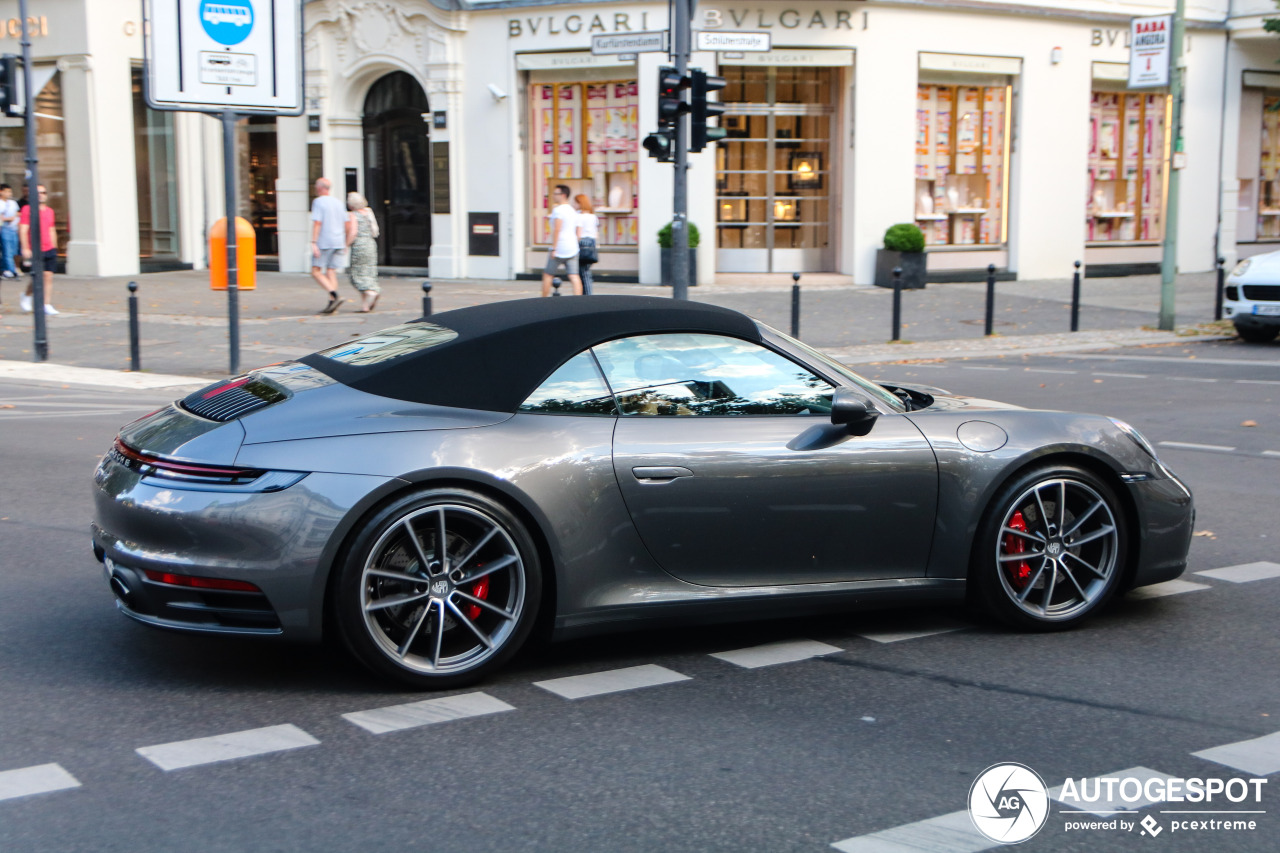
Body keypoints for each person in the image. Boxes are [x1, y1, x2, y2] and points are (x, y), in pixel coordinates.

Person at [309, 177, 347, 314]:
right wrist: (345, 242)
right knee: (331, 271)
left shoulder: (318, 202)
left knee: (316, 271)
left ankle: (335, 294)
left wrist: (313, 242)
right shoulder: (338, 202)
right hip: (338, 241)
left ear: (319, 188)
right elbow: (346, 222)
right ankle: (332, 303)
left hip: (324, 241)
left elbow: (317, 222)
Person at [18, 184, 56, 315]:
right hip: (35, 248)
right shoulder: (27, 209)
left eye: (44, 192)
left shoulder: (50, 211)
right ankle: (27, 295)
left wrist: (54, 246)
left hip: (49, 247)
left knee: (48, 276)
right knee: (37, 277)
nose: (41, 195)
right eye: (38, 192)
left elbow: (51, 229)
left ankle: (46, 304)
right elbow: (23, 229)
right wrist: (25, 247)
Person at [541, 184, 583, 297]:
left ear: (563, 195)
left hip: (560, 247)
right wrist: (575, 243)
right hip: (573, 247)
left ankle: (543, 300)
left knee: (548, 275)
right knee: (574, 275)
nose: (554, 196)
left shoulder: (558, 210)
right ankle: (578, 300)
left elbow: (557, 229)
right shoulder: (573, 211)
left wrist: (554, 248)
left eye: (556, 194)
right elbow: (579, 232)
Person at [346, 191, 381, 312]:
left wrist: (346, 244)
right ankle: (365, 305)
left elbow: (353, 232)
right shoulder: (368, 212)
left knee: (357, 274)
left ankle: (371, 292)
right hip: (371, 244)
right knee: (370, 271)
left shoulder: (353, 215)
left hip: (359, 246)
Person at [574, 193, 600, 295]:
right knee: (586, 271)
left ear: (580, 203)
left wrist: (575, 244)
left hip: (583, 243)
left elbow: (579, 233)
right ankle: (586, 293)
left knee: (583, 272)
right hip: (591, 243)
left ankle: (587, 294)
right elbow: (596, 232)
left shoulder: (580, 217)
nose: (574, 205)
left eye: (575, 203)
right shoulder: (593, 216)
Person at [0, 184, 18, 280]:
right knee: (7, 251)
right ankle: (12, 271)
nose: (9, 193)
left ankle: (4, 270)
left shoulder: (13, 203)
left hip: (13, 229)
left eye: (9, 191)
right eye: (6, 191)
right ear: (1, 192)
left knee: (13, 251)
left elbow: (17, 214)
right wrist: (8, 218)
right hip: (4, 229)